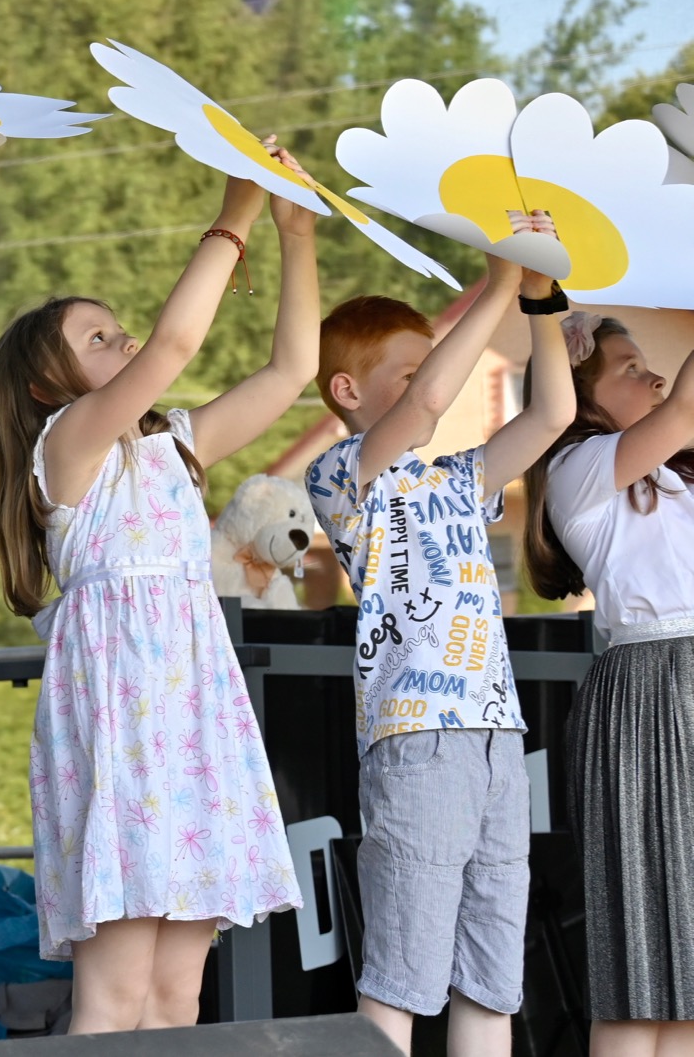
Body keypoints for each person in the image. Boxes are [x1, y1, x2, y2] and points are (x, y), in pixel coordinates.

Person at [0, 152, 317, 1032]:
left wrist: (294, 235)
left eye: (116, 328)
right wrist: (233, 214)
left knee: (178, 995)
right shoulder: (67, 444)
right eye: (97, 339)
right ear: (45, 383)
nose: (124, 339)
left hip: (191, 719)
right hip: (121, 716)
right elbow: (175, 344)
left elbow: (292, 372)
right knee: (117, 991)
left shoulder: (174, 442)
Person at [303, 218, 574, 1057]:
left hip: (495, 736)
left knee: (490, 978)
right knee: (401, 976)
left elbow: (555, 410)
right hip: (418, 739)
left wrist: (540, 302)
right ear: (349, 391)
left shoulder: (456, 478)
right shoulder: (344, 474)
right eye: (411, 367)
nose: (434, 383)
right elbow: (421, 411)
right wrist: (494, 286)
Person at [524, 312, 694, 1057]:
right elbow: (685, 404)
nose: (653, 375)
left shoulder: (679, 473)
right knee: (641, 955)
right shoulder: (577, 467)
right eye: (629, 368)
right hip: (652, 688)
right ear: (582, 398)